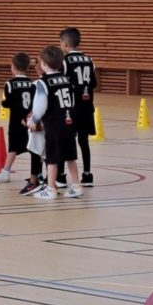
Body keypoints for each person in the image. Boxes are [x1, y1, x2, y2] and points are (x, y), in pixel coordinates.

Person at [27, 45, 82, 200]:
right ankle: (76, 186)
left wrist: (34, 120)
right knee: (70, 157)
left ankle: (51, 188)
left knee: (52, 158)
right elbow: (74, 102)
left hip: (54, 126)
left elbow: (40, 106)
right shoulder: (68, 80)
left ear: (43, 64)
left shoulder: (42, 83)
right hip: (69, 124)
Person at [0, 52, 43, 195]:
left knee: (13, 149)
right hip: (29, 122)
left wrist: (4, 103)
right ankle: (37, 174)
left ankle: (5, 172)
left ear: (14, 67)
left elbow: (8, 102)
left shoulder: (10, 84)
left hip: (16, 122)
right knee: (34, 149)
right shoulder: (32, 84)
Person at [60, 27, 97, 186]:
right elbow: (93, 83)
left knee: (65, 140)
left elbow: (62, 84)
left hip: (71, 108)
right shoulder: (89, 60)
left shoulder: (65, 61)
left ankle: (61, 175)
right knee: (84, 141)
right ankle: (87, 174)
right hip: (87, 107)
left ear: (65, 43)